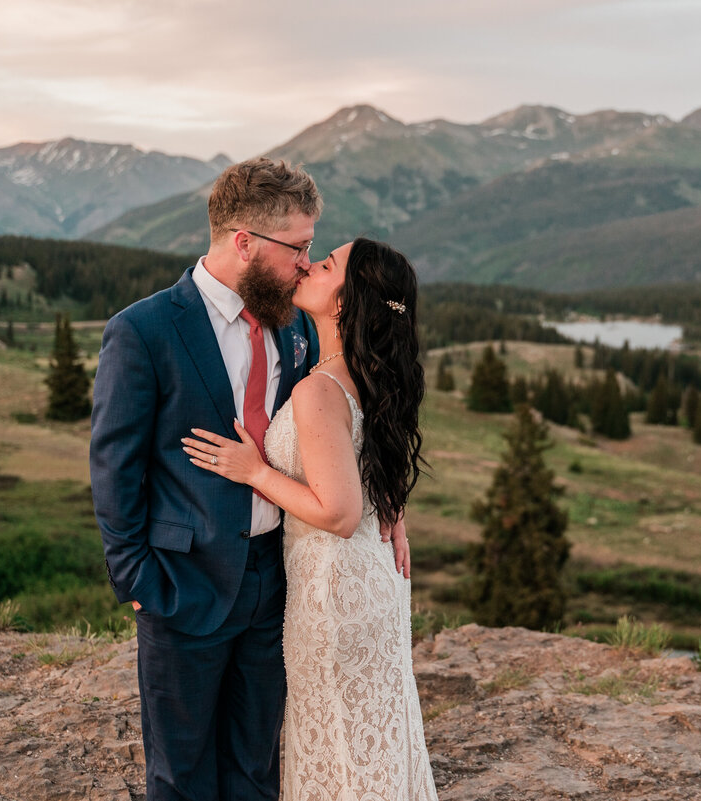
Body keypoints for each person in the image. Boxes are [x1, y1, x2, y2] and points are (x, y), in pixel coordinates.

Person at [91, 158, 400, 801]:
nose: (305, 264)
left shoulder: (295, 327)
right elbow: (115, 467)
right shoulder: (143, 331)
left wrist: (392, 507)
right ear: (245, 243)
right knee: (182, 776)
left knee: (258, 769)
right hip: (183, 584)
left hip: (277, 583)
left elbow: (350, 420)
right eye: (299, 247)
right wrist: (136, 579)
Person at [181, 237, 438, 800]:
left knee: (340, 747)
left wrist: (254, 471)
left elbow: (340, 513)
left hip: (334, 588)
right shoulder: (365, 374)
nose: (308, 265)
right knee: (372, 740)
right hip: (371, 582)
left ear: (345, 303)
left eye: (326, 266)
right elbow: (369, 461)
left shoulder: (320, 387)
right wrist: (392, 508)